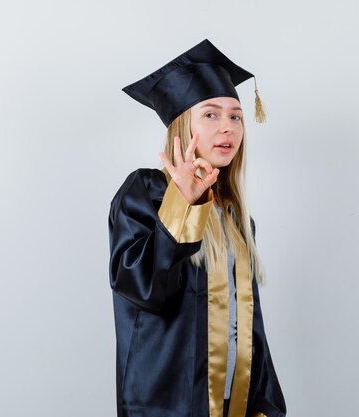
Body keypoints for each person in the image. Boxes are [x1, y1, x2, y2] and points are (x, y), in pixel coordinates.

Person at [108, 39, 286, 417]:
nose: (228, 128)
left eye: (236, 116)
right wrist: (183, 204)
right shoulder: (145, 193)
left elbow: (249, 326)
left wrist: (267, 405)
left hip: (235, 403)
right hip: (166, 404)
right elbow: (144, 290)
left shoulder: (237, 217)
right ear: (182, 128)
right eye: (211, 114)